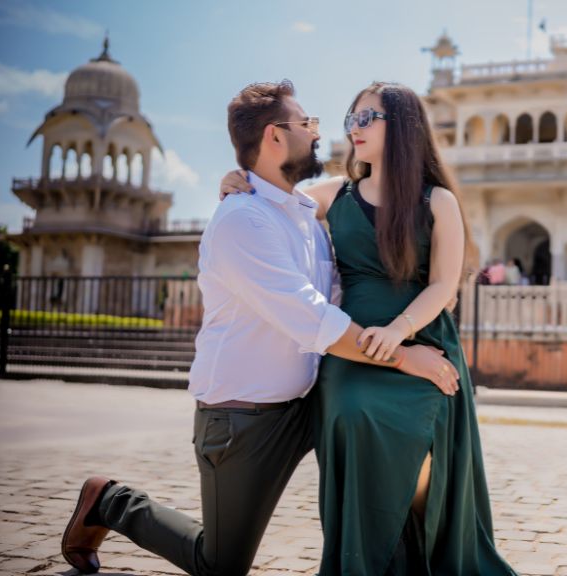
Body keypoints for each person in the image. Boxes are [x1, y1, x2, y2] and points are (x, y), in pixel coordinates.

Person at [59, 80, 459, 576]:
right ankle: (110, 502)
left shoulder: (304, 216)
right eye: (307, 124)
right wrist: (405, 356)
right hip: (245, 418)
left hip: (306, 399)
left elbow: (340, 293)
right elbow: (318, 321)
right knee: (220, 564)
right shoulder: (244, 222)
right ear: (274, 136)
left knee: (384, 428)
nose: (319, 134)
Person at [220, 81, 516, 575]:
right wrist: (237, 180)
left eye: (366, 119)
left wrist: (399, 331)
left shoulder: (438, 200)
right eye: (351, 119)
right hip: (354, 350)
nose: (353, 129)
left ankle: (424, 558)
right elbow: (275, 201)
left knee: (423, 441)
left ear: (401, 127)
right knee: (353, 413)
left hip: (422, 337)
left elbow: (444, 286)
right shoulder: (333, 194)